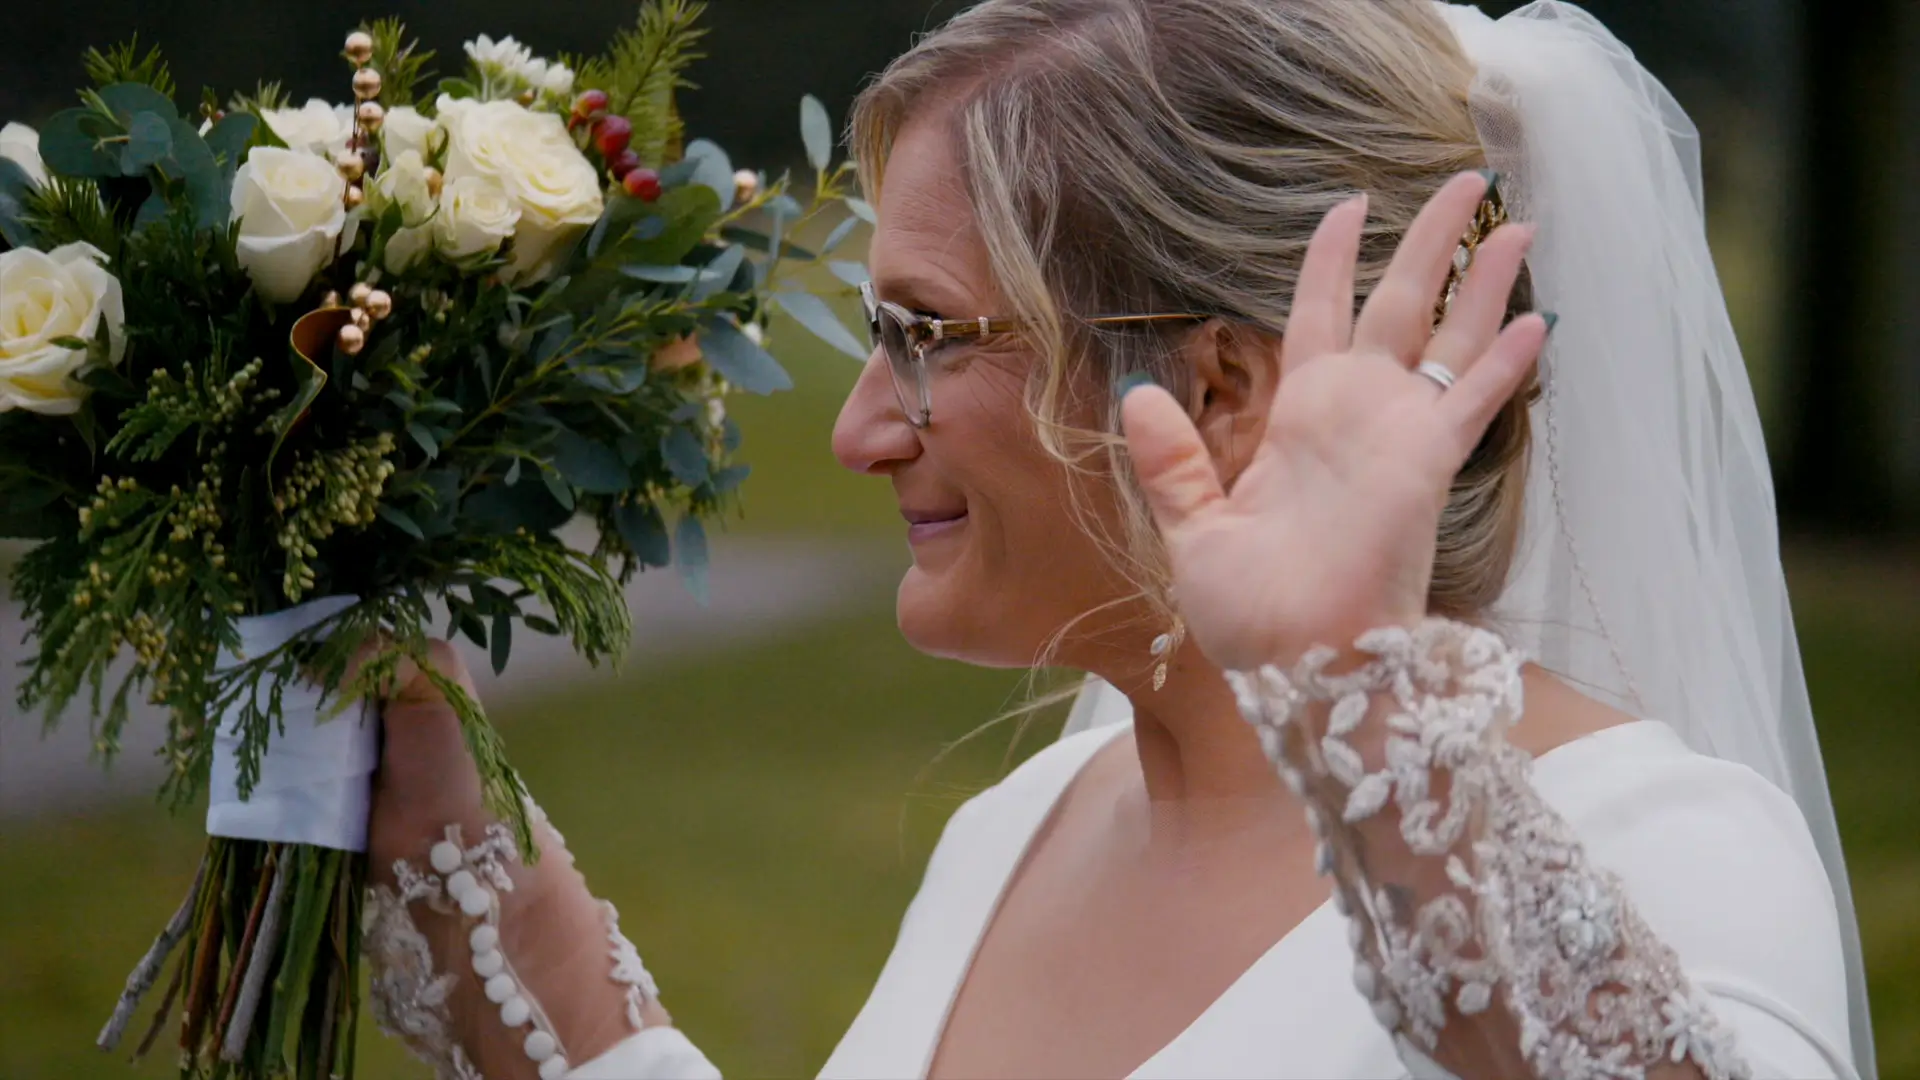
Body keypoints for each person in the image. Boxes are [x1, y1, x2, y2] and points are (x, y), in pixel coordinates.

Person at [357, 2, 1875, 1078]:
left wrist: (1365, 703)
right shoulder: (1021, 831)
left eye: (928, 337)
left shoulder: (1671, 847)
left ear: (1220, 388)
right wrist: (445, 818)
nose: (860, 431)